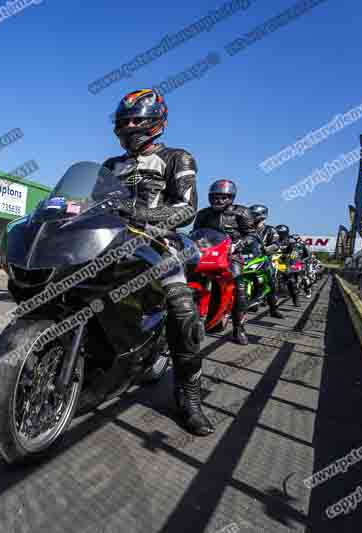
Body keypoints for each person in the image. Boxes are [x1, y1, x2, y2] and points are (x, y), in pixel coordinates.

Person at [81, 88, 213, 437]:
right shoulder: (111, 166)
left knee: (182, 308)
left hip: (158, 241)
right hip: (110, 241)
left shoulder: (177, 157)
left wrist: (143, 214)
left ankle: (189, 396)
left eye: (134, 121)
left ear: (155, 121)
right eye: (123, 121)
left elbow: (186, 208)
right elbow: (93, 202)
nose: (128, 127)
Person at [194, 180, 255, 346]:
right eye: (215, 197)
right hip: (205, 253)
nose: (218, 200)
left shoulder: (242, 213)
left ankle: (238, 329)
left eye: (223, 197)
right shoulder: (203, 213)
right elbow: (195, 233)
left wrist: (237, 245)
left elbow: (251, 235)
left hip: (231, 255)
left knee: (238, 286)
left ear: (231, 197)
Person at [249, 204, 284, 319]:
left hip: (262, 258)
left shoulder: (270, 230)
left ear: (262, 216)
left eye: (253, 215)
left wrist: (266, 249)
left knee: (271, 281)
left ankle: (274, 308)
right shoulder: (245, 228)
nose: (250, 217)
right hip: (244, 257)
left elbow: (276, 244)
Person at [274, 224, 300, 306]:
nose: (278, 235)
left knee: (291, 281)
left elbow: (295, 253)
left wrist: (292, 262)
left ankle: (296, 299)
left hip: (286, 263)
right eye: (277, 233)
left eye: (280, 233)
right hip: (273, 261)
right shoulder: (273, 239)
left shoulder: (291, 241)